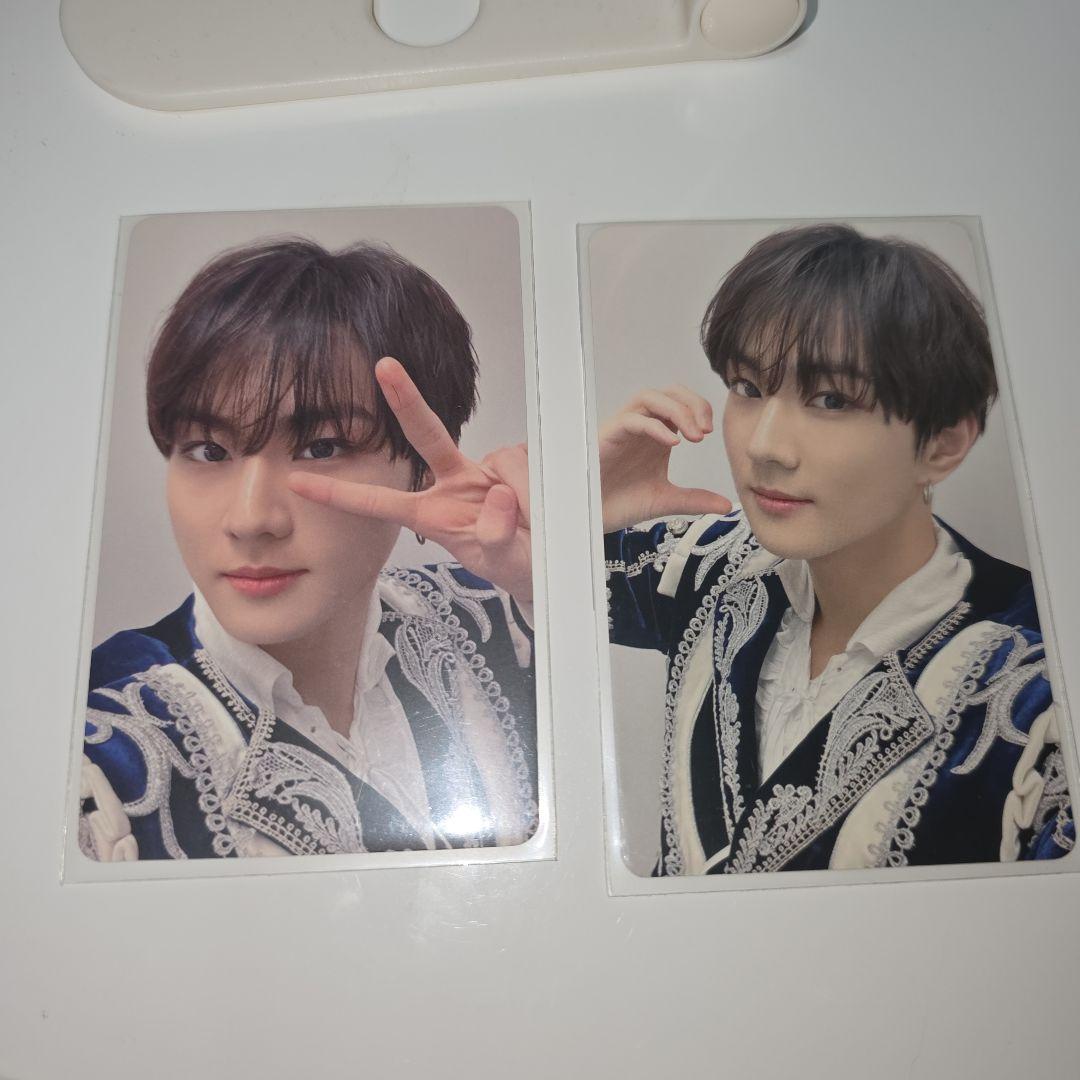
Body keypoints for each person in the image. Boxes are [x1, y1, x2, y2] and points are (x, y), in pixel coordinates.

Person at [600, 223, 1074, 875]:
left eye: (830, 399)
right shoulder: (719, 561)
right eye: (748, 387)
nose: (765, 446)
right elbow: (526, 577)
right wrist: (586, 501)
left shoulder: (1038, 688)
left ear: (942, 444)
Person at [80, 238, 538, 861]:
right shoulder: (102, 756)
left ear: (420, 470)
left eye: (322, 447)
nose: (250, 520)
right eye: (209, 451)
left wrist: (550, 569)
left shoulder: (496, 613)